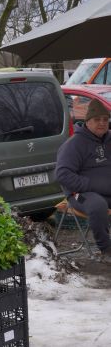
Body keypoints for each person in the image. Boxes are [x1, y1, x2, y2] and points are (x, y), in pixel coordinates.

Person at [56, 97, 111, 260]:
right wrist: (92, 184)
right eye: (97, 119)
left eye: (105, 119)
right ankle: (106, 249)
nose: (102, 123)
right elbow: (62, 174)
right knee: (97, 206)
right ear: (88, 121)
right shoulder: (74, 144)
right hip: (80, 194)